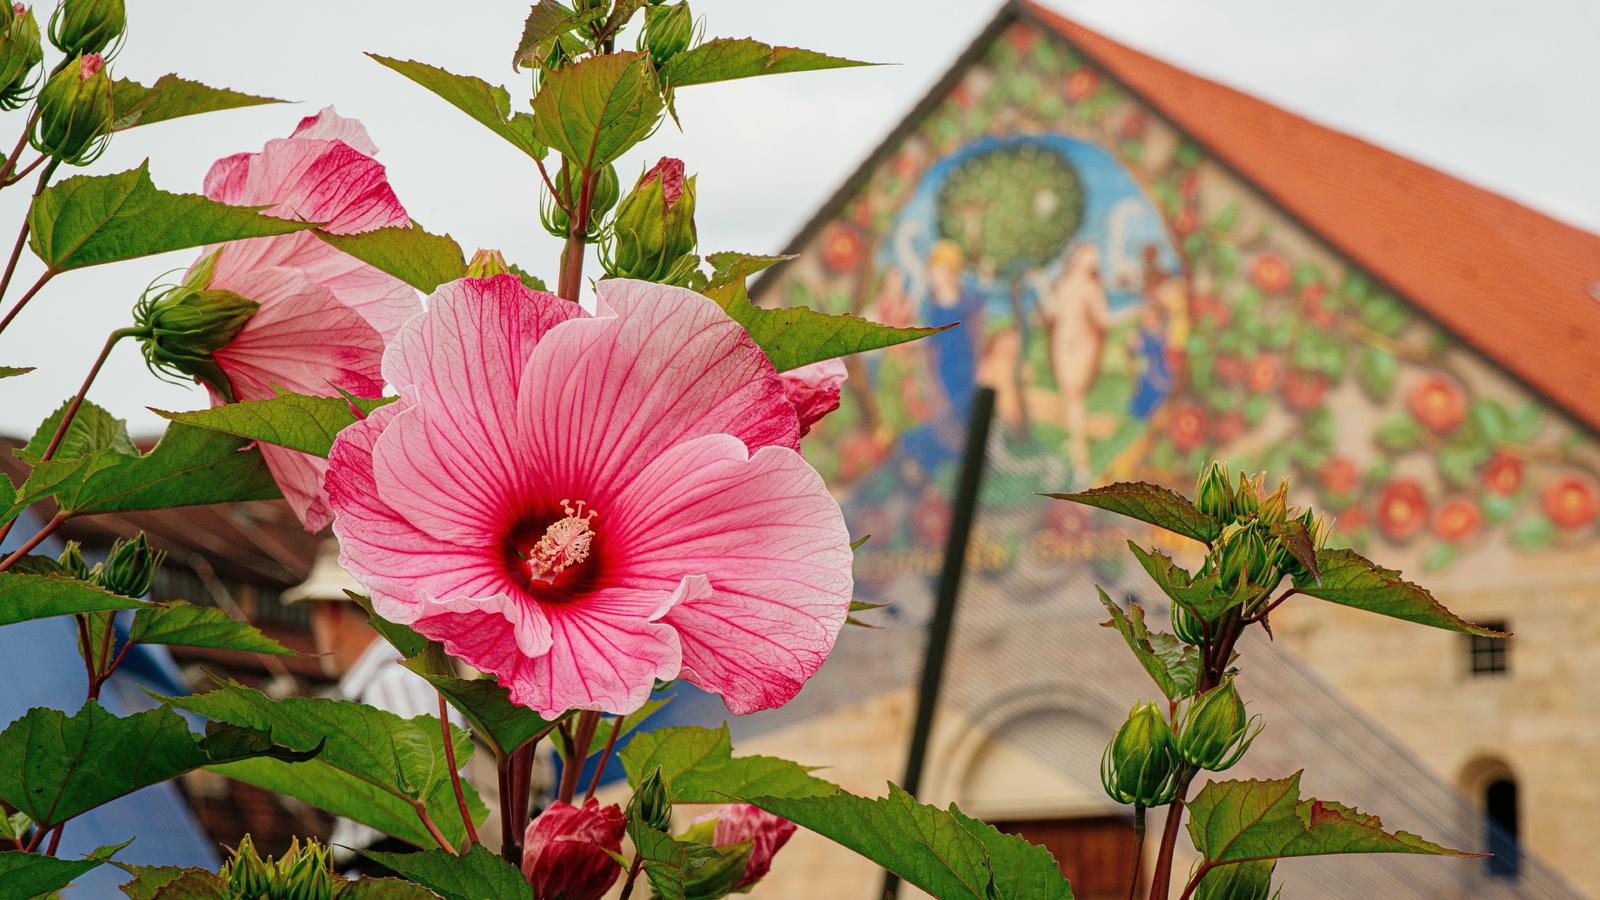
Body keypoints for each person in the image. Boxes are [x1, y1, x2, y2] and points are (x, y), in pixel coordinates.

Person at [284, 541, 478, 871]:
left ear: (330, 613)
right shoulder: (399, 679)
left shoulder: (393, 682)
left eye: (313, 612)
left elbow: (430, 819)